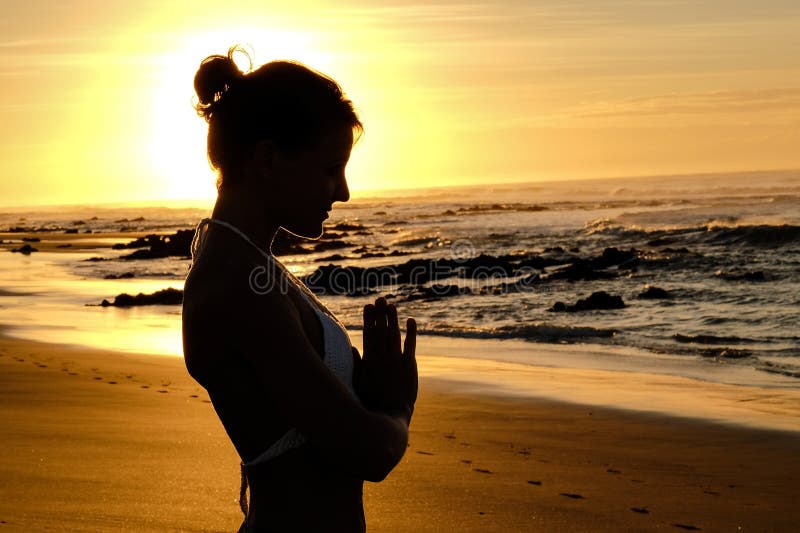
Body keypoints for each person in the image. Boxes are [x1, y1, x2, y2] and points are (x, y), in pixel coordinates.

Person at [182, 46, 418, 532]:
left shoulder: (252, 263)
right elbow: (369, 452)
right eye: (330, 168)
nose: (344, 191)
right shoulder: (236, 285)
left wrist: (364, 393)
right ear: (267, 157)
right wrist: (397, 407)